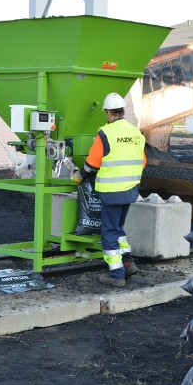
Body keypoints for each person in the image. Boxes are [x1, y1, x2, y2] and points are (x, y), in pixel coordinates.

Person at [72, 92, 146, 287]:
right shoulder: (136, 132)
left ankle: (116, 275)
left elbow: (92, 163)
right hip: (131, 190)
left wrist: (79, 175)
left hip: (112, 191)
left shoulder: (106, 133)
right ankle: (128, 263)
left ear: (108, 113)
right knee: (118, 229)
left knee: (109, 232)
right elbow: (143, 161)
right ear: (122, 111)